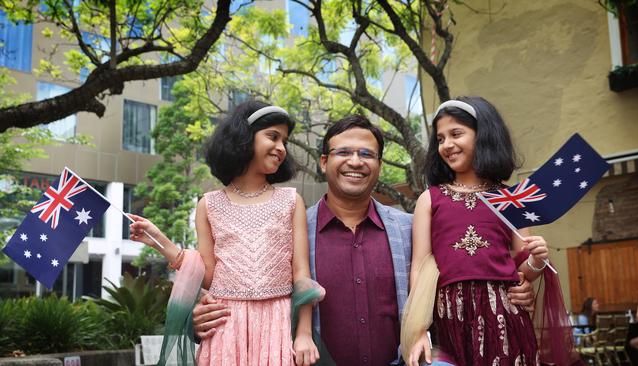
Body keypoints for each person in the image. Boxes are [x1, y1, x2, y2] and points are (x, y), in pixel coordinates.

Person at [192, 114, 537, 366]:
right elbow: (237, 278)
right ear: (325, 162)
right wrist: (200, 314)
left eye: (367, 154)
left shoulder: (410, 229)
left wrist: (519, 286)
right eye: (343, 153)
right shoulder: (290, 228)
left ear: (379, 166)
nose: (355, 162)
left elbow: (467, 269)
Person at [129, 100, 321, 366]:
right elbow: (207, 275)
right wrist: (161, 242)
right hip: (225, 327)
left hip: (276, 325)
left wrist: (303, 334)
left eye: (284, 141)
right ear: (244, 137)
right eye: (273, 137)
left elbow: (301, 273)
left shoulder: (291, 201)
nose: (281, 148)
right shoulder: (208, 204)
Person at [407, 97, 559, 365]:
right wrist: (418, 330)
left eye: (456, 134)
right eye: (440, 139)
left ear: (484, 135)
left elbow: (523, 271)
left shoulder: (511, 198)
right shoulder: (430, 199)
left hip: (505, 317)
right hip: (449, 317)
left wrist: (537, 259)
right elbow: (419, 266)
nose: (447, 145)